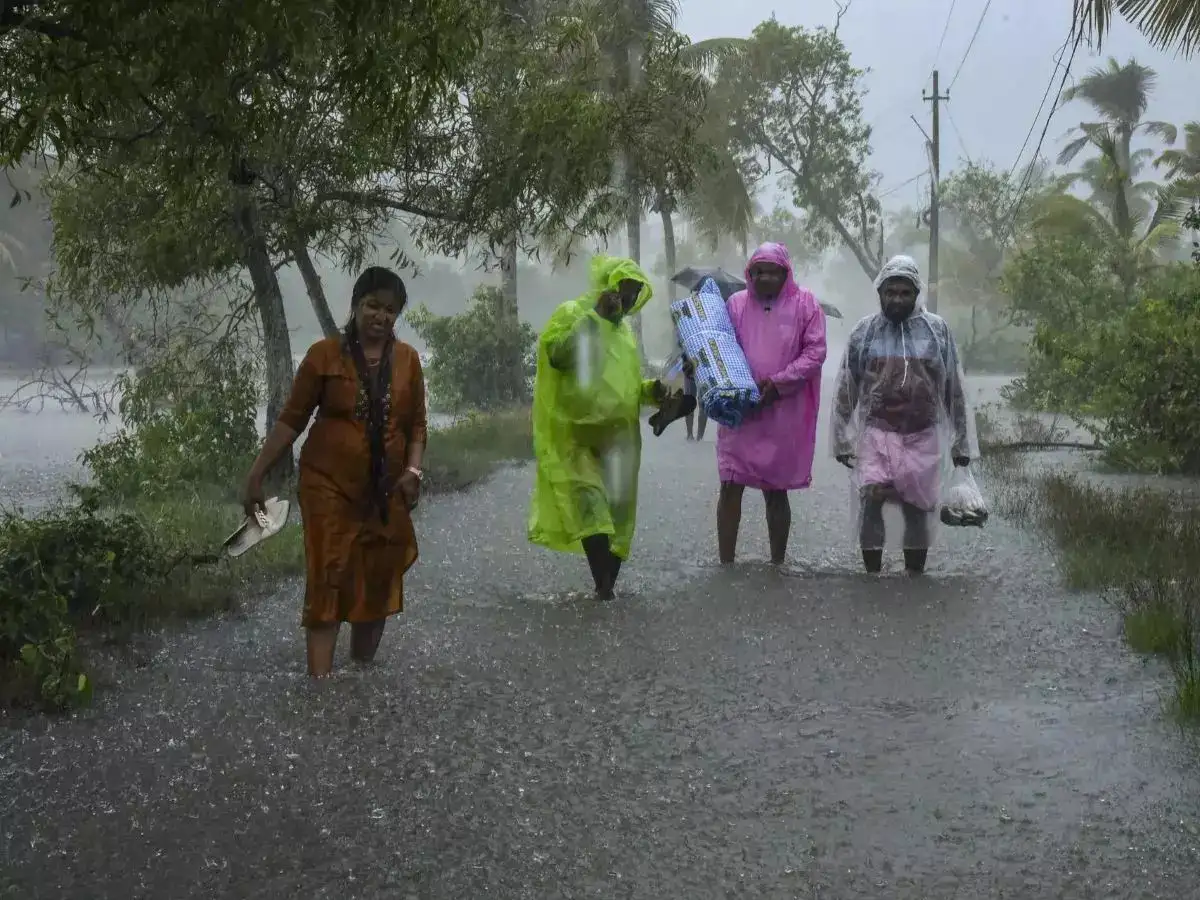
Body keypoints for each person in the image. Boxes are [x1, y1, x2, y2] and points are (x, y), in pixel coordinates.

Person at [241, 266, 426, 677]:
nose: (381, 317)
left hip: (385, 490)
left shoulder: (409, 362)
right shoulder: (324, 356)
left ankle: (360, 677)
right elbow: (292, 421)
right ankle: (320, 688)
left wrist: (414, 470)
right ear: (356, 305)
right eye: (373, 306)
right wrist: (257, 474)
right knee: (329, 573)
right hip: (327, 486)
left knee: (376, 578)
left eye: (390, 310)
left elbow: (416, 426)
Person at [528, 255, 665, 600]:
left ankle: (604, 594)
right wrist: (595, 318)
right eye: (624, 290)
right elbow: (557, 355)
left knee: (618, 521)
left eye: (635, 294)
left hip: (620, 440)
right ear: (608, 286)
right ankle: (604, 594)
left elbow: (626, 386)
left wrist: (654, 391)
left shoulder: (625, 334)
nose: (628, 300)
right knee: (593, 511)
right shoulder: (574, 313)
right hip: (576, 436)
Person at [831, 254, 977, 575]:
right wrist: (840, 436)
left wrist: (962, 442)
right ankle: (872, 577)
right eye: (890, 292)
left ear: (916, 294)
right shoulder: (864, 332)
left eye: (905, 292)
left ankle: (914, 580)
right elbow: (847, 387)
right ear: (879, 292)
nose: (897, 299)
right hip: (875, 434)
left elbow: (954, 388)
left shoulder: (935, 331)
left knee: (917, 508)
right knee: (871, 499)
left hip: (922, 435)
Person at [715, 242, 827, 565]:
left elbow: (816, 352)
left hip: (781, 414)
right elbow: (722, 345)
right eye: (758, 271)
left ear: (785, 273)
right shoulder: (735, 304)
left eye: (772, 272)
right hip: (742, 412)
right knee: (730, 484)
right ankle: (726, 563)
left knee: (776, 489)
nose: (764, 278)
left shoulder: (806, 304)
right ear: (749, 274)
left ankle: (777, 562)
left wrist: (779, 383)